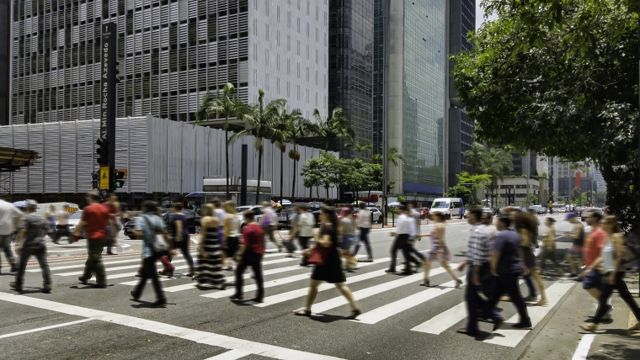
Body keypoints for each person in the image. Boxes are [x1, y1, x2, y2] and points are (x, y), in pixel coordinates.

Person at [294, 206, 361, 318]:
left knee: (314, 284)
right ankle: (355, 308)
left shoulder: (327, 227)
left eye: (321, 213)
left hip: (325, 261)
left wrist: (316, 237)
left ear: (326, 215)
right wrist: (310, 250)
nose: (319, 215)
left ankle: (307, 309)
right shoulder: (334, 226)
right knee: (340, 284)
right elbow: (326, 244)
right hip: (334, 259)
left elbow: (325, 243)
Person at [580, 216, 640, 332]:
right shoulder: (607, 237)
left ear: (611, 224)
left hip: (615, 272)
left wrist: (613, 273)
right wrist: (589, 268)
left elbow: (619, 256)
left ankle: (594, 324)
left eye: (604, 223)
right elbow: (602, 256)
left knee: (604, 298)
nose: (601, 224)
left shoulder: (617, 237)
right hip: (609, 272)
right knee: (626, 297)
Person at [488, 215, 532, 330]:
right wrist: (522, 265)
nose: (495, 224)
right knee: (495, 294)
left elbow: (496, 253)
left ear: (502, 222)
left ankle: (525, 320)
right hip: (512, 269)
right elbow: (519, 251)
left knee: (515, 296)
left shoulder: (502, 235)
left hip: (506, 271)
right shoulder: (515, 234)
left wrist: (493, 268)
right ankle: (489, 314)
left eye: (497, 221)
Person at [456, 208, 494, 338]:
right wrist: (465, 261)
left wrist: (476, 272)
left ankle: (478, 324)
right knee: (473, 296)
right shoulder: (482, 229)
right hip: (482, 265)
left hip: (477, 267)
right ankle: (478, 322)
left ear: (475, 216)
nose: (467, 216)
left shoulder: (478, 231)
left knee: (470, 298)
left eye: (469, 215)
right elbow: (478, 250)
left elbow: (478, 253)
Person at [130, 201, 167, 307]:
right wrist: (170, 248)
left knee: (153, 275)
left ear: (145, 208)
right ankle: (137, 292)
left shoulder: (141, 218)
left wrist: (134, 231)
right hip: (159, 248)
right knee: (146, 273)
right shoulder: (158, 218)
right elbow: (164, 233)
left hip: (149, 250)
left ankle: (161, 298)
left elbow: (139, 234)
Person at [74, 191, 114, 288]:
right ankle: (85, 276)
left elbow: (82, 223)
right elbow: (110, 223)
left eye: (88, 197)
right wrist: (113, 236)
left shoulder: (88, 209)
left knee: (96, 259)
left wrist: (76, 233)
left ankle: (102, 281)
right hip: (102, 237)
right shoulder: (104, 208)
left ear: (91, 198)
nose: (87, 199)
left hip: (93, 237)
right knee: (92, 257)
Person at [10, 200, 51, 294]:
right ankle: (47, 284)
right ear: (35, 208)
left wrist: (18, 244)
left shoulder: (26, 218)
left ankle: (18, 284)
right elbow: (48, 231)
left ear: (28, 208)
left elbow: (23, 231)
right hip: (41, 245)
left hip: (28, 245)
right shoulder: (42, 218)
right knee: (44, 265)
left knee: (21, 266)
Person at [231, 210, 265, 303]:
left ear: (247, 218)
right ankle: (260, 296)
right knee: (258, 275)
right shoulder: (259, 227)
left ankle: (239, 294)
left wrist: (239, 254)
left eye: (244, 218)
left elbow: (244, 244)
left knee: (239, 272)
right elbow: (263, 241)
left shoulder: (247, 228)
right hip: (258, 253)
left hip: (248, 253)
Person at [423, 212, 462, 288]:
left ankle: (426, 280)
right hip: (438, 248)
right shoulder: (438, 224)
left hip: (437, 248)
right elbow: (432, 234)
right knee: (444, 265)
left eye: (434, 215)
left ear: (438, 217)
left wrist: (440, 250)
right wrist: (420, 235)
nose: (432, 216)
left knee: (428, 262)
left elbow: (440, 239)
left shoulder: (439, 225)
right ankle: (456, 280)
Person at [515, 211, 547, 305]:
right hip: (528, 254)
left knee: (535, 276)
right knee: (536, 277)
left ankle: (543, 298)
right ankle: (542, 297)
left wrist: (520, 258)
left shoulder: (523, 230)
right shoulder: (529, 229)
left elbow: (524, 242)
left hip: (525, 255)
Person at [196, 204, 225, 290]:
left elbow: (203, 234)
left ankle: (202, 281)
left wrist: (200, 246)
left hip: (207, 244)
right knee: (215, 264)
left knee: (203, 263)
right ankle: (218, 281)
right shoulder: (216, 220)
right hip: (215, 244)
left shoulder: (205, 220)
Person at [386, 205, 421, 275]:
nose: (397, 210)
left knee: (393, 251)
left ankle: (393, 268)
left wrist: (394, 233)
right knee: (406, 253)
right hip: (407, 236)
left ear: (401, 210)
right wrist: (411, 238)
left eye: (398, 209)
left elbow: (399, 229)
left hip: (400, 237)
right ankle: (409, 269)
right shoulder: (408, 218)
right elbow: (411, 229)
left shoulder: (401, 217)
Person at [166, 202, 195, 277]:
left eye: (172, 207)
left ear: (175, 208)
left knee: (169, 253)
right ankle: (192, 270)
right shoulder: (183, 216)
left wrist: (178, 237)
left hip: (177, 237)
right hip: (186, 236)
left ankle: (168, 270)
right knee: (186, 253)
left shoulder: (176, 216)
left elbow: (179, 225)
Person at [0, 198, 21, 274]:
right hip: (8, 230)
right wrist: (16, 225)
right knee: (7, 249)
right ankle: (14, 266)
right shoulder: (10, 205)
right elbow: (19, 214)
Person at [222, 201, 241, 270]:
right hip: (236, 237)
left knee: (225, 252)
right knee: (234, 254)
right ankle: (237, 266)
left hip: (229, 237)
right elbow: (239, 228)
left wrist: (224, 240)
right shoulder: (236, 216)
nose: (224, 208)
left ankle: (228, 265)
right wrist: (239, 238)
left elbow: (226, 230)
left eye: (226, 206)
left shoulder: (227, 216)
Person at [565, 213, 585, 277]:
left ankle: (582, 275)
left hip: (579, 245)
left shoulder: (579, 225)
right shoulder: (576, 225)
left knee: (580, 261)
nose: (568, 221)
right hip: (575, 245)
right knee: (569, 256)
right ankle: (574, 272)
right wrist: (570, 232)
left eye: (568, 219)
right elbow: (575, 233)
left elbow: (577, 236)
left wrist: (568, 235)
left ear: (572, 218)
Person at [338, 207, 357, 271]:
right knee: (347, 252)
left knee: (343, 252)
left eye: (342, 211)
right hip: (351, 237)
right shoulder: (350, 220)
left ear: (344, 212)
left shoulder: (342, 220)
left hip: (345, 237)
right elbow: (354, 228)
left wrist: (339, 238)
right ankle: (349, 265)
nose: (341, 212)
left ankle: (350, 264)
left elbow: (340, 230)